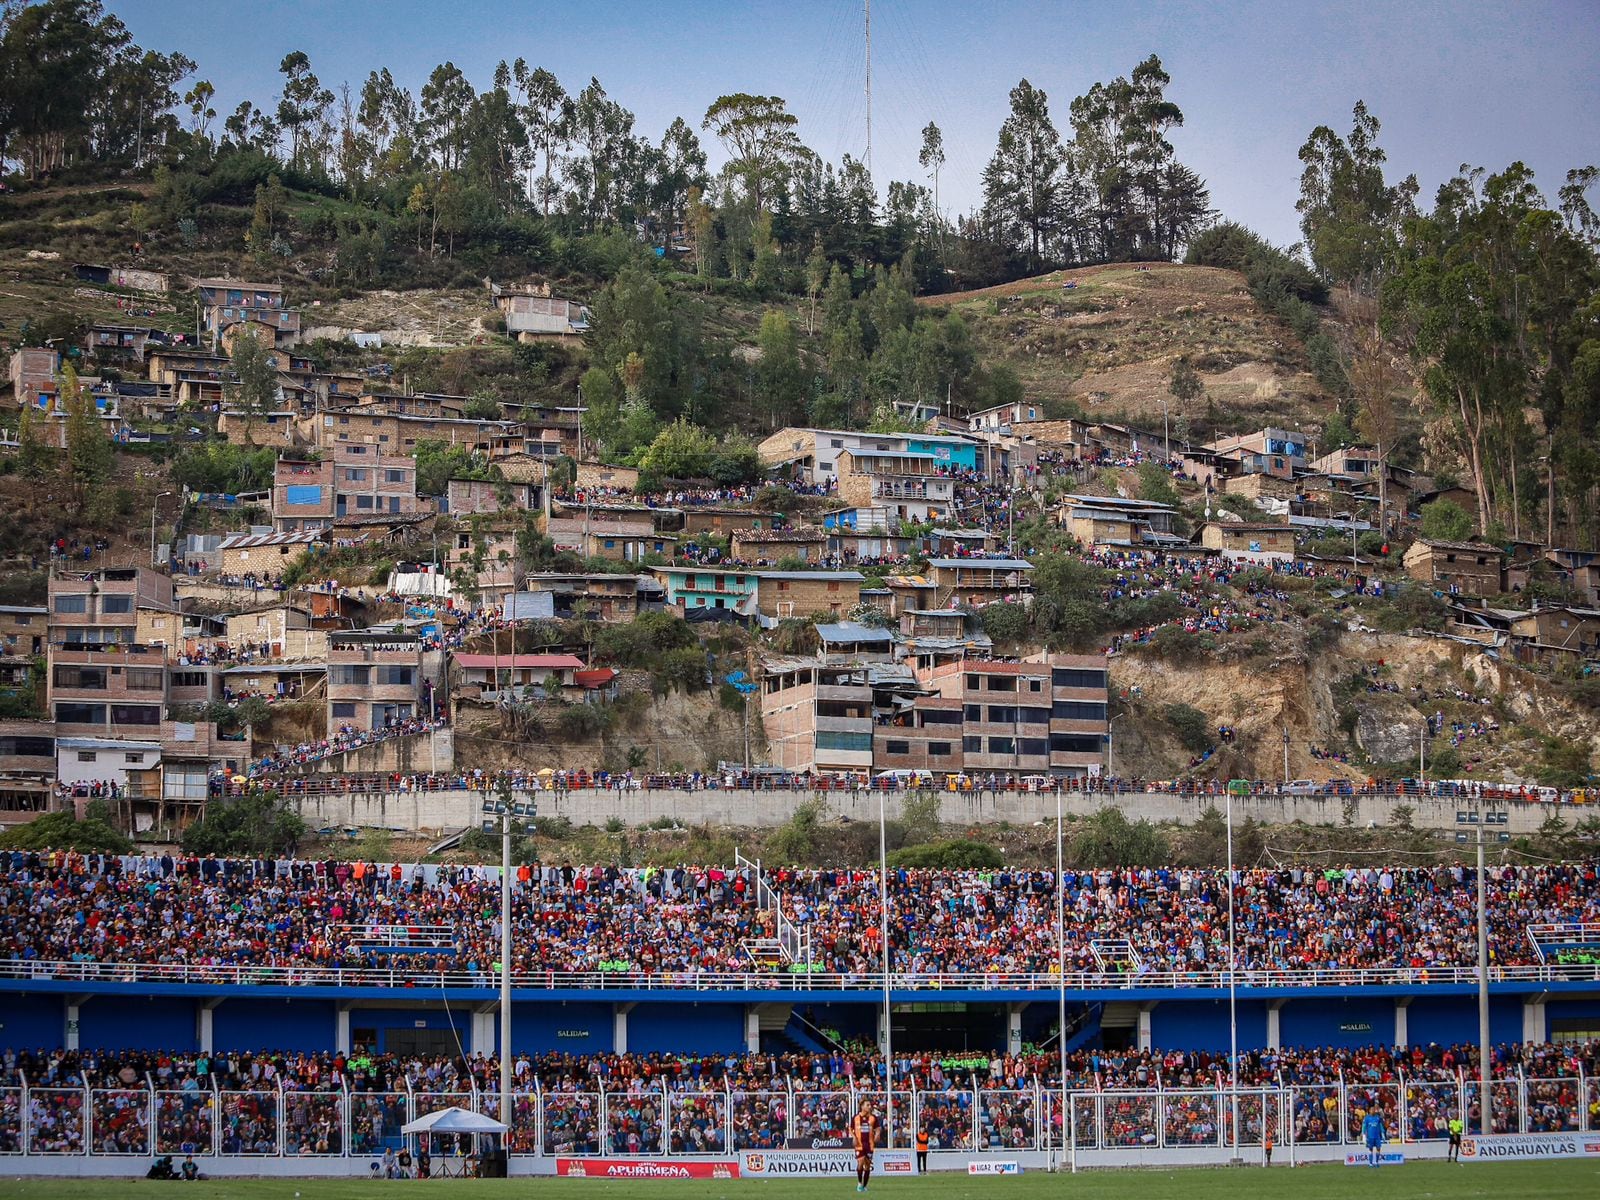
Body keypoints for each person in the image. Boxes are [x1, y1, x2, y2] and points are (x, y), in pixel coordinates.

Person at [852, 1099, 881, 1192]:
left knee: (867, 1165)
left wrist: (877, 1134)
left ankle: (864, 1186)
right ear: (862, 1106)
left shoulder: (873, 1118)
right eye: (867, 1105)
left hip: (869, 1145)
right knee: (860, 1162)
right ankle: (859, 1183)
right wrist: (854, 1137)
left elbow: (878, 1128)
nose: (870, 1107)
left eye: (870, 1105)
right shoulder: (855, 1118)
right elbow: (850, 1129)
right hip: (859, 1144)